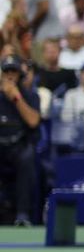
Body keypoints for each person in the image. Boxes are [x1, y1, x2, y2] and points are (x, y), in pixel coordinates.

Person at [0, 56, 41, 225]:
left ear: (20, 74)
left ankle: (22, 215)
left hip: (18, 144)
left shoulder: (30, 96)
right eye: (7, 71)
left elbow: (33, 121)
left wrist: (16, 98)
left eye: (13, 71)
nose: (10, 75)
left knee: (26, 158)